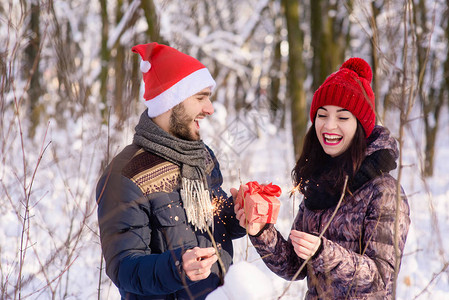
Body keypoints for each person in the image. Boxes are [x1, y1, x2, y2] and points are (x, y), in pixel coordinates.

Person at [233, 57, 410, 299]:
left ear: (360, 125)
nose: (329, 126)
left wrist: (323, 253)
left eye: (343, 117)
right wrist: (261, 231)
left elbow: (382, 279)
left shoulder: (384, 191)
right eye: (322, 115)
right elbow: (295, 267)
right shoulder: (320, 180)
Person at [96, 42, 246, 300]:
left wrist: (240, 212)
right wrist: (177, 267)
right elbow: (123, 267)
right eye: (200, 98)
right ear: (171, 101)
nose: (209, 109)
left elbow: (216, 224)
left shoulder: (200, 155)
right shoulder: (125, 176)